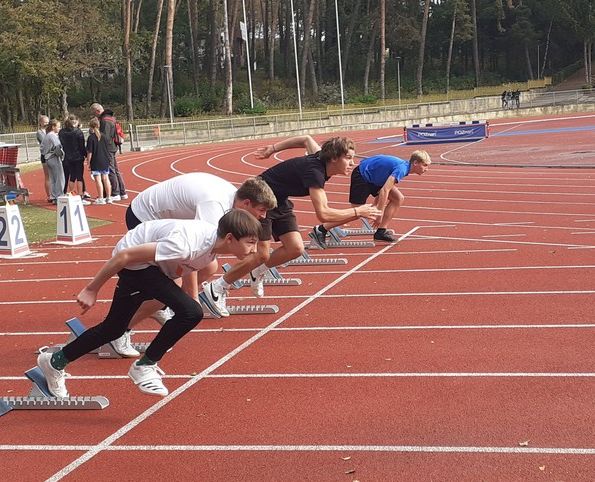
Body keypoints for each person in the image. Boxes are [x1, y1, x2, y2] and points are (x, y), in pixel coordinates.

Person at [35, 208, 262, 397]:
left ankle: (54, 362)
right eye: (250, 243)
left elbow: (188, 266)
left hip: (152, 266)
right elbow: (124, 256)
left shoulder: (210, 248)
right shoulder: (186, 243)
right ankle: (145, 366)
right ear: (230, 238)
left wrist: (191, 298)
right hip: (135, 264)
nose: (253, 249)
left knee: (113, 329)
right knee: (192, 312)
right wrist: (92, 289)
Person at [102, 173, 277, 354]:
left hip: (166, 222)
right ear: (246, 203)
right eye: (262, 210)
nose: (263, 216)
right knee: (174, 284)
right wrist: (193, 299)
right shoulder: (214, 206)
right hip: (144, 216)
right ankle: (119, 331)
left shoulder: (233, 200)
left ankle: (158, 305)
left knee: (207, 269)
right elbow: (195, 250)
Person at [202, 136, 380, 311]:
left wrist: (273, 149)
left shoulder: (320, 155)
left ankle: (257, 271)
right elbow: (324, 214)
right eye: (348, 158)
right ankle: (217, 286)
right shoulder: (315, 173)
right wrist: (358, 211)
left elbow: (305, 139)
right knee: (261, 254)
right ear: (333, 158)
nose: (352, 163)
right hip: (262, 200)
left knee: (296, 248)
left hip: (280, 200)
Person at [315, 150, 431, 243]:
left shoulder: (403, 167)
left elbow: (383, 187)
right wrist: (379, 214)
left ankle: (381, 231)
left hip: (374, 178)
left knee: (398, 198)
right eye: (425, 165)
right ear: (415, 163)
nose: (426, 169)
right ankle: (322, 229)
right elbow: (384, 190)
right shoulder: (402, 169)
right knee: (357, 212)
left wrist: (376, 205)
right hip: (362, 175)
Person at [91, 103, 126, 201]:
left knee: (111, 170)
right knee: (115, 170)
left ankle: (115, 193)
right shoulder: (111, 118)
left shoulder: (105, 121)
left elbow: (105, 137)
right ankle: (122, 192)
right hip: (113, 146)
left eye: (94, 113)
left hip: (108, 148)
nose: (95, 116)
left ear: (97, 111)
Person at [59, 115, 89, 197]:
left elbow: (61, 144)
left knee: (72, 177)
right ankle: (80, 194)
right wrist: (85, 155)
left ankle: (71, 193)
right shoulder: (78, 132)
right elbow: (81, 146)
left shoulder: (62, 132)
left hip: (67, 157)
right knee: (79, 177)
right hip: (78, 157)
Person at [85, 118, 112, 203]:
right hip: (105, 159)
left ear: (90, 127)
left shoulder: (91, 138)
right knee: (106, 179)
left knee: (98, 179)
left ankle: (100, 198)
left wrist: (88, 162)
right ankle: (108, 197)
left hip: (96, 160)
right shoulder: (104, 136)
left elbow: (90, 152)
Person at [39, 119, 65, 201]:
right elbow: (57, 147)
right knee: (59, 178)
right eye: (58, 127)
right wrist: (61, 155)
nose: (59, 128)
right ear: (53, 127)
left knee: (52, 178)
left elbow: (41, 148)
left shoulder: (46, 136)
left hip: (47, 158)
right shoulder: (52, 135)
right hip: (53, 158)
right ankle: (59, 196)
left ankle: (53, 196)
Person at [36, 115, 51, 198]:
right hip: (45, 155)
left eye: (48, 122)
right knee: (48, 176)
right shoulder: (39, 132)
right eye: (45, 122)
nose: (47, 124)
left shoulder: (49, 131)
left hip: (52, 155)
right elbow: (45, 142)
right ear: (41, 123)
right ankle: (49, 195)